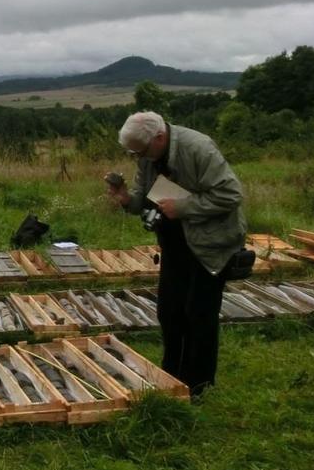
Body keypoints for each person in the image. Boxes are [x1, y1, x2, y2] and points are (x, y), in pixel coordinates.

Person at [105, 111, 245, 397]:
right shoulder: (147, 155)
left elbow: (231, 195)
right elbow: (144, 197)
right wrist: (125, 199)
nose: (137, 157)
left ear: (159, 138)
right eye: (132, 153)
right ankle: (170, 377)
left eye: (140, 151)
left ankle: (198, 386)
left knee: (199, 313)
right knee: (169, 311)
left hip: (210, 243)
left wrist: (182, 208)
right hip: (175, 242)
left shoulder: (198, 148)